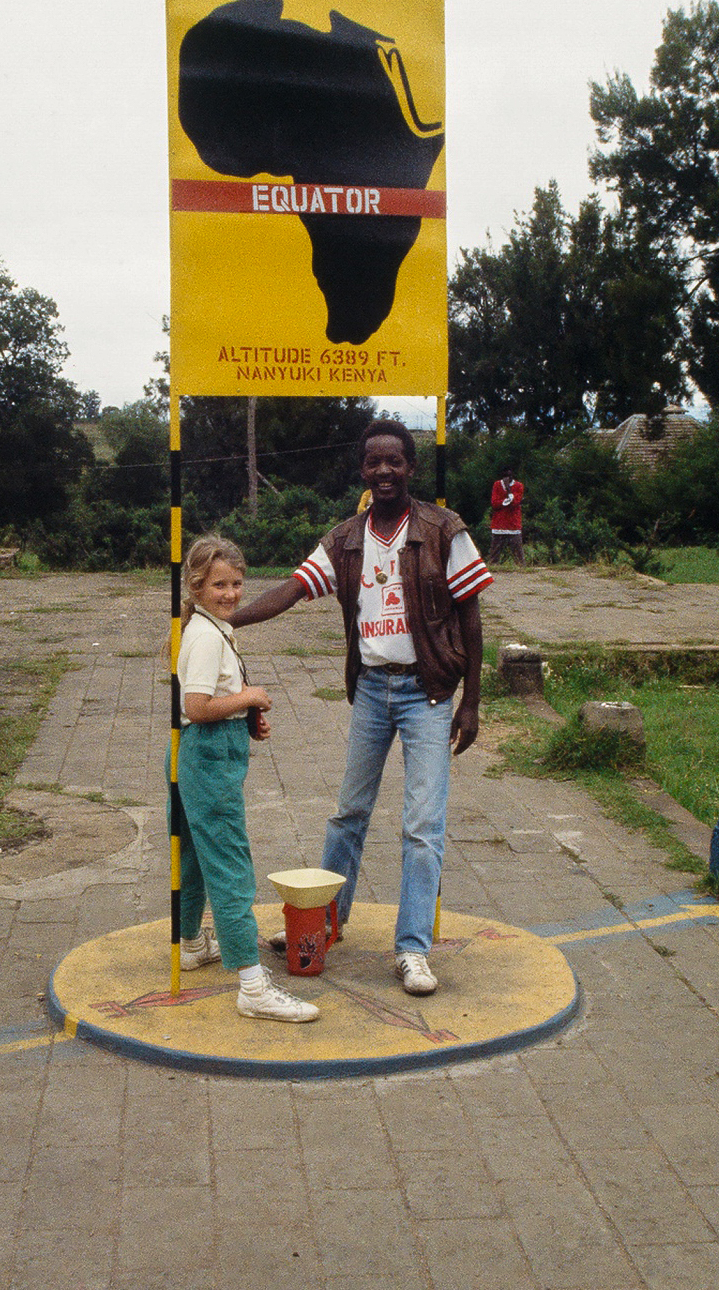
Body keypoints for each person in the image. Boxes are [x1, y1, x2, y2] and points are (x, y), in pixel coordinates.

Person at [232, 419, 492, 996]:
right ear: (363, 471)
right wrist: (229, 617)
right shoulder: (346, 539)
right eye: (374, 462)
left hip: (428, 692)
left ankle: (413, 951)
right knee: (348, 814)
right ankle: (325, 926)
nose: (384, 472)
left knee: (423, 826)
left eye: (394, 462)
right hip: (373, 690)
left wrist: (471, 701)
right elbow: (293, 589)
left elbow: (471, 617)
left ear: (411, 468)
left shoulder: (444, 530)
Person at [167, 534, 319, 1022]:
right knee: (231, 865)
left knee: (191, 854)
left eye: (236, 583)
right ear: (195, 587)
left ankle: (190, 942)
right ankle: (252, 986)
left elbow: (208, 702)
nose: (230, 594)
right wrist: (249, 697)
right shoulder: (209, 636)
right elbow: (195, 706)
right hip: (208, 757)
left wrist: (244, 716)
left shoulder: (214, 627)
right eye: (218, 585)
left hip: (203, 752)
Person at [489, 466, 525, 566]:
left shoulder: (519, 486)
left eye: (508, 476)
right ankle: (493, 569)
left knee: (518, 554)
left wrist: (509, 491)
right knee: (495, 553)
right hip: (499, 523)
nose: (506, 479)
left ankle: (522, 570)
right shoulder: (496, 485)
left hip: (513, 523)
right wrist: (506, 501)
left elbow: (515, 502)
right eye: (505, 476)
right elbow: (494, 503)